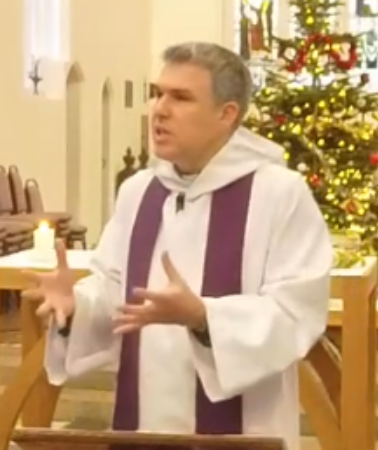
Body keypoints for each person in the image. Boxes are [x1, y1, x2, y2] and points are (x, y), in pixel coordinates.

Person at [23, 42, 332, 450]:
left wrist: (204, 318)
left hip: (243, 428)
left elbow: (297, 311)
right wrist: (77, 305)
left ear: (227, 114)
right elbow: (114, 291)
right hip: (144, 422)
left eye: (181, 97)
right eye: (157, 93)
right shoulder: (139, 191)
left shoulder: (279, 193)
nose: (160, 109)